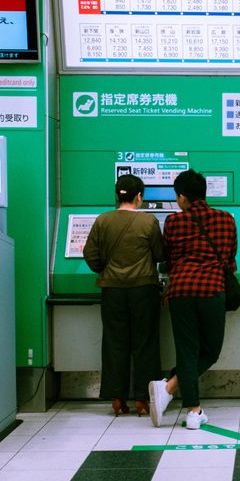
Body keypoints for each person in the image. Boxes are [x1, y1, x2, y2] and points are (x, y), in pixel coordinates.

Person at [148, 170, 240, 429]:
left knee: (187, 351)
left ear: (182, 197)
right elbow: (229, 259)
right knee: (210, 352)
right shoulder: (226, 219)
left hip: (180, 291)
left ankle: (180, 398)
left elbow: (168, 259)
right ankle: (185, 404)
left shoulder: (172, 222)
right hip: (212, 291)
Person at [83, 174, 166, 417]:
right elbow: (160, 255)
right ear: (139, 196)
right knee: (146, 344)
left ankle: (117, 399)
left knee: (114, 343)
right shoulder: (148, 222)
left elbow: (90, 254)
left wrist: (105, 270)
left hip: (112, 291)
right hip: (143, 290)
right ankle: (143, 399)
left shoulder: (103, 221)